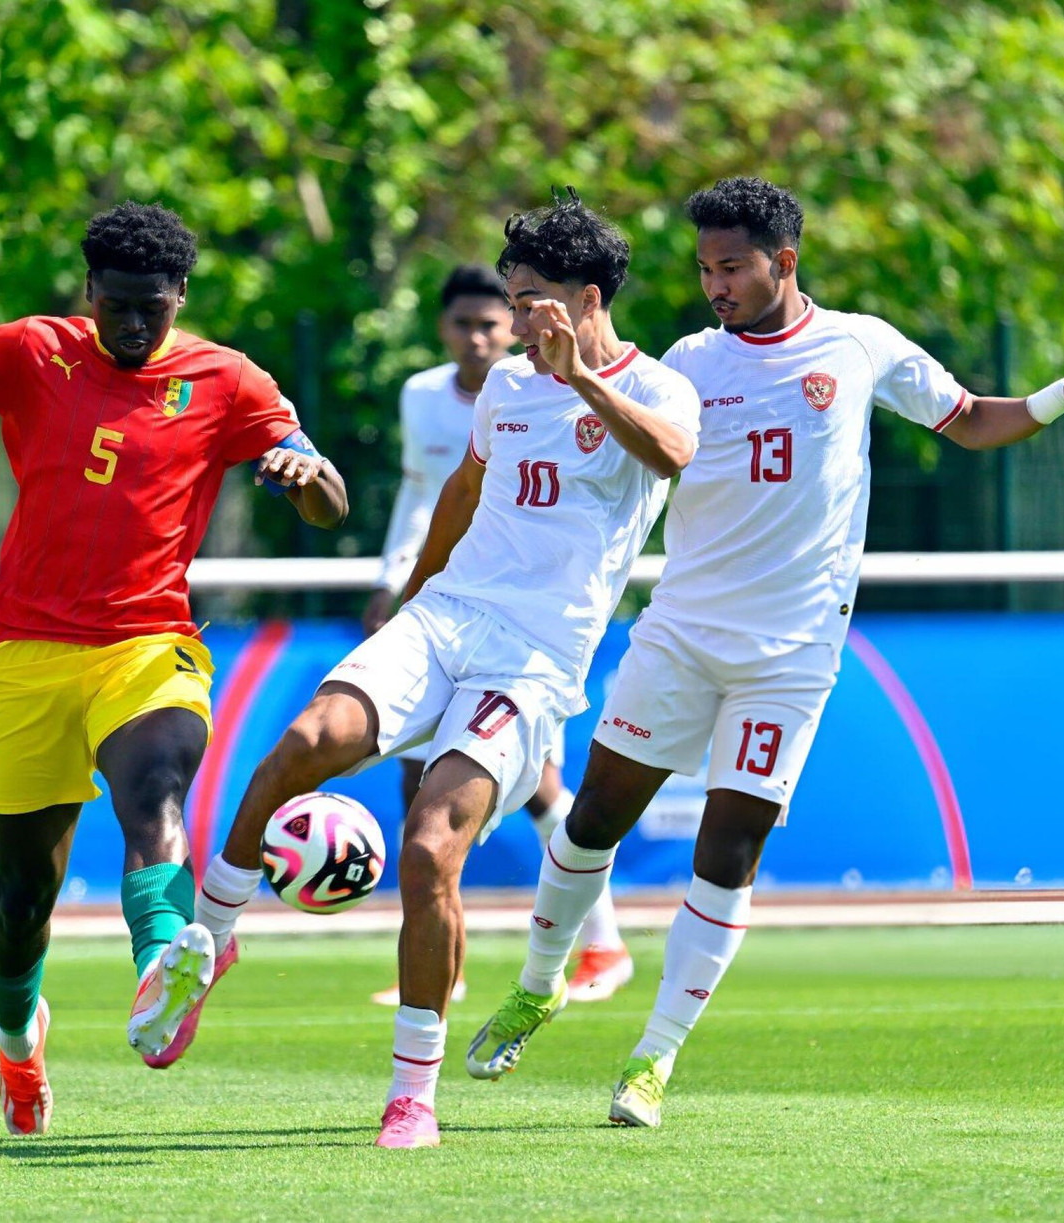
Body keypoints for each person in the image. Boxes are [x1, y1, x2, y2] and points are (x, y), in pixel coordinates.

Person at [468, 176, 1064, 1128]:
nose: (716, 284)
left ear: (784, 260)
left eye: (732, 265)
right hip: (683, 631)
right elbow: (612, 438)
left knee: (727, 848)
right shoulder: (686, 363)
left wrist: (1056, 395)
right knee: (592, 823)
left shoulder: (859, 345)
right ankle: (540, 984)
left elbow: (971, 420)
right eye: (704, 268)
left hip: (792, 653)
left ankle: (652, 1059)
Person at [0, 184, 347, 1136]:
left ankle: (165, 963)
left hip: (148, 646)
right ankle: (17, 1038)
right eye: (113, 299)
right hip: (25, 655)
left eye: (150, 305)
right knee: (25, 899)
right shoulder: (34, 350)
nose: (128, 320)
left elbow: (326, 495)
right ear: (88, 287)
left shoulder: (230, 381)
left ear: (182, 297)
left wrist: (307, 478)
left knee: (156, 786)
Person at [189, 192, 699, 1149]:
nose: (516, 316)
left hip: (537, 659)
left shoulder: (658, 388)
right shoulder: (504, 387)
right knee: (305, 740)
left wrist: (583, 377)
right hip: (446, 617)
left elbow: (671, 457)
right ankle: (214, 928)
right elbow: (464, 494)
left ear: (589, 299)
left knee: (428, 850)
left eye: (536, 297)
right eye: (512, 297)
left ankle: (411, 1095)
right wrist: (412, 603)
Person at [364, 264, 632, 1008]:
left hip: (524, 613)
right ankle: (441, 962)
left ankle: (603, 942)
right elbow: (429, 494)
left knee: (540, 783)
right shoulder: (424, 395)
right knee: (415, 782)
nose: (481, 336)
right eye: (466, 324)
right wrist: (396, 582)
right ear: (444, 329)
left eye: (493, 322)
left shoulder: (544, 383)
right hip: (444, 601)